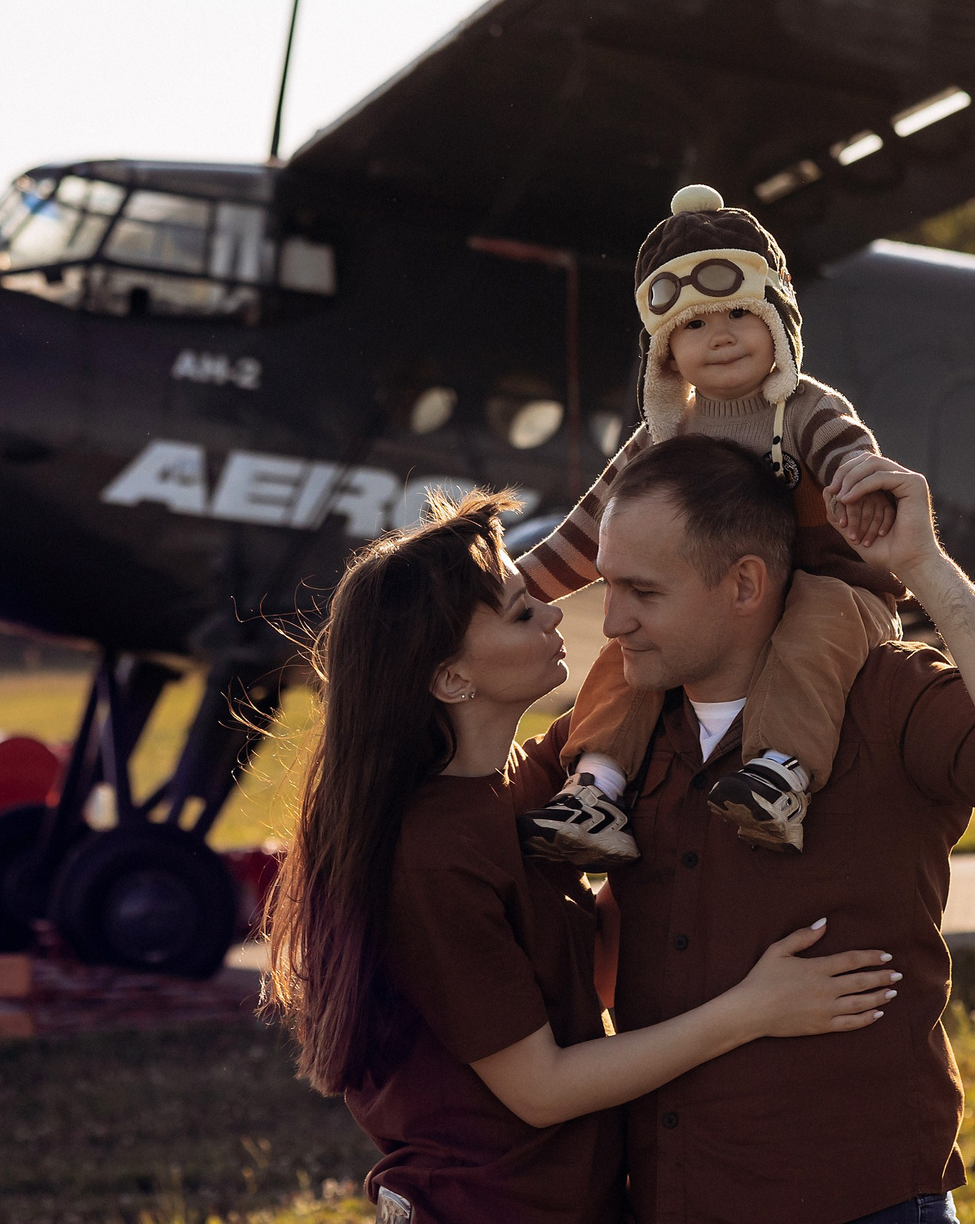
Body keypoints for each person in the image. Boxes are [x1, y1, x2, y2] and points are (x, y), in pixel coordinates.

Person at [262, 488, 904, 1224]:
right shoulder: (430, 854)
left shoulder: (514, 796)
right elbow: (541, 1085)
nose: (556, 612)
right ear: (450, 678)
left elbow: (580, 985)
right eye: (519, 611)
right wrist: (755, 1008)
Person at [518, 436, 975, 1224]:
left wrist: (925, 566)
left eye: (643, 590)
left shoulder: (884, 694)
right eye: (609, 582)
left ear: (745, 584)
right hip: (669, 1194)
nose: (613, 617)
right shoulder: (613, 724)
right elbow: (476, 828)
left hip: (860, 1201)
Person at [517, 184, 901, 860]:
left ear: (779, 321)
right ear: (665, 352)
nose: (718, 335)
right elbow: (590, 525)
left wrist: (863, 492)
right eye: (692, 325)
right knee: (630, 653)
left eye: (738, 314)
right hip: (713, 611)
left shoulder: (806, 409)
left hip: (832, 588)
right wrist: (517, 586)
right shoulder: (666, 433)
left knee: (818, 622)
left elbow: (852, 457)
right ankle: (597, 787)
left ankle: (783, 772)